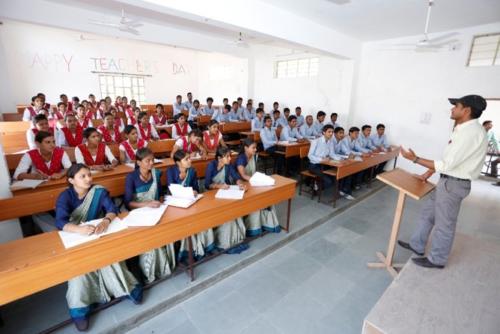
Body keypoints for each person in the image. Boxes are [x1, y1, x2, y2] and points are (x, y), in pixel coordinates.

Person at [398, 95, 488, 269]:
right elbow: (448, 160)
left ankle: (437, 259)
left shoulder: (470, 134)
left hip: (454, 184)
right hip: (447, 181)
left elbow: (447, 164)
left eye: (456, 106)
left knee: (444, 224)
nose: (452, 109)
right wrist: (426, 174)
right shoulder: (463, 129)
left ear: (467, 110)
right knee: (428, 214)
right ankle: (417, 245)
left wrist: (414, 159)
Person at [55, 164, 142, 331]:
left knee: (110, 259)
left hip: (97, 235)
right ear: (71, 180)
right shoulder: (65, 197)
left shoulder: (98, 191)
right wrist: (79, 229)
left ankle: (125, 288)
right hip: (77, 238)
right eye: (83, 176)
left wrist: (106, 221)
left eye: (89, 175)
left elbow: (112, 209)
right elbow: (60, 221)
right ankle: (80, 308)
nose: (89, 179)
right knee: (79, 270)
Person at [124, 148, 176, 283]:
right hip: (139, 213)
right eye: (147, 161)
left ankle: (166, 264)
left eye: (153, 160)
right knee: (151, 236)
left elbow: (158, 195)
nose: (151, 163)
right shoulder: (131, 177)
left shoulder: (156, 174)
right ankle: (148, 271)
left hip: (155, 211)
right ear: (139, 162)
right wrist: (146, 204)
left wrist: (160, 201)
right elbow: (128, 203)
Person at [167, 150, 215, 261]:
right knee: (187, 224)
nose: (190, 161)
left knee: (202, 218)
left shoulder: (192, 171)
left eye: (190, 158)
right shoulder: (171, 171)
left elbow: (196, 188)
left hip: (190, 201)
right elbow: (171, 189)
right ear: (178, 163)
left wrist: (194, 192)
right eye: (186, 159)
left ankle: (203, 246)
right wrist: (185, 190)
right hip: (176, 203)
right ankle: (188, 252)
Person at [204, 147, 248, 253]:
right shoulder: (211, 166)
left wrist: (240, 184)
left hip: (225, 193)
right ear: (219, 158)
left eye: (230, 156)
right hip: (212, 195)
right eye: (227, 157)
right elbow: (206, 185)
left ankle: (235, 239)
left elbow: (235, 176)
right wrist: (218, 186)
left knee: (233, 211)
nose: (229, 159)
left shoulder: (228, 166)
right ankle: (223, 240)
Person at [235, 138, 280, 236]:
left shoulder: (253, 156)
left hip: (252, 182)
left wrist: (260, 179)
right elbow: (243, 175)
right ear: (246, 148)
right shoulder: (241, 158)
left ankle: (266, 223)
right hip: (243, 185)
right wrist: (255, 180)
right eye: (253, 148)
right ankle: (252, 227)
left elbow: (254, 171)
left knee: (267, 196)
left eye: (256, 148)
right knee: (256, 200)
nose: (255, 150)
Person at [308, 125, 353, 199]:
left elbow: (332, 154)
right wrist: (321, 160)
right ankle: (315, 188)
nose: (331, 133)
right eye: (329, 132)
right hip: (314, 165)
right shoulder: (316, 141)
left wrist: (340, 159)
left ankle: (318, 186)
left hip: (325, 165)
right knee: (329, 181)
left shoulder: (330, 142)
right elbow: (310, 155)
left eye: (332, 132)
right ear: (323, 132)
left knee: (335, 177)